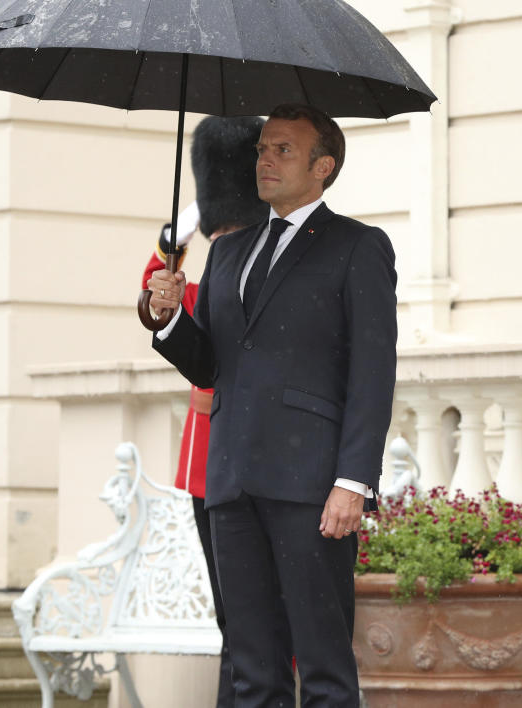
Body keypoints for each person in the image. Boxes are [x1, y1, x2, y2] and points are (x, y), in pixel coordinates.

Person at [145, 104, 397, 708]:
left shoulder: (358, 246)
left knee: (324, 667)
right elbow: (210, 365)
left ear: (324, 166)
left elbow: (372, 375)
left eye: (283, 149)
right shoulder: (230, 251)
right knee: (253, 671)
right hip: (231, 483)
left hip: (311, 486)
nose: (265, 159)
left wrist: (353, 482)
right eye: (263, 148)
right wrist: (170, 315)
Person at [141, 114, 267, 708]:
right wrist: (179, 234)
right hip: (209, 464)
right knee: (236, 618)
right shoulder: (208, 264)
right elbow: (158, 297)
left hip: (266, 455)